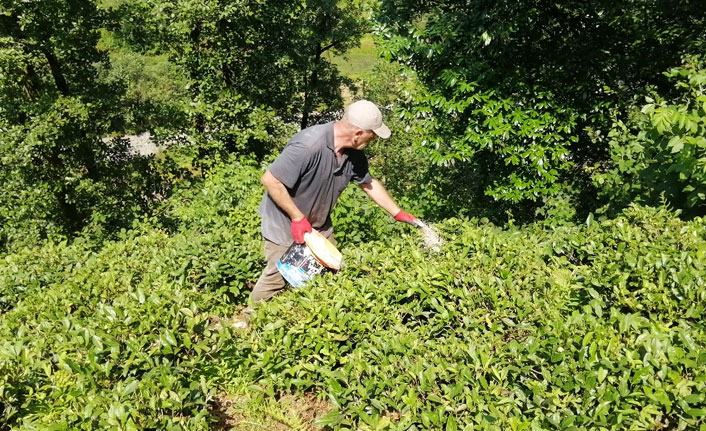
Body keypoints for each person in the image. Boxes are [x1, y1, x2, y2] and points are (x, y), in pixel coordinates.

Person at [249, 100, 420, 304]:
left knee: (330, 272)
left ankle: (314, 321)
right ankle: (247, 322)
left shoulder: (353, 153)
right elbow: (270, 180)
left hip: (318, 225)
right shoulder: (308, 145)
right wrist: (297, 218)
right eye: (372, 134)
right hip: (285, 223)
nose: (373, 139)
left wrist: (397, 212)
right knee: (277, 277)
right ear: (357, 134)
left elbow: (368, 183)